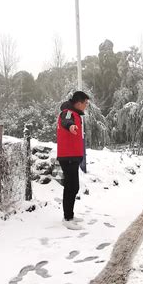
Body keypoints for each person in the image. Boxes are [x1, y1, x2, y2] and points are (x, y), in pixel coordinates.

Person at [57, 91, 89, 230]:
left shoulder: (74, 113)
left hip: (72, 156)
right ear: (79, 103)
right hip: (68, 156)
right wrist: (70, 126)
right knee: (72, 187)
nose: (86, 106)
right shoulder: (68, 112)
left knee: (72, 187)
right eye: (85, 103)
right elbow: (66, 120)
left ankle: (69, 215)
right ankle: (67, 218)